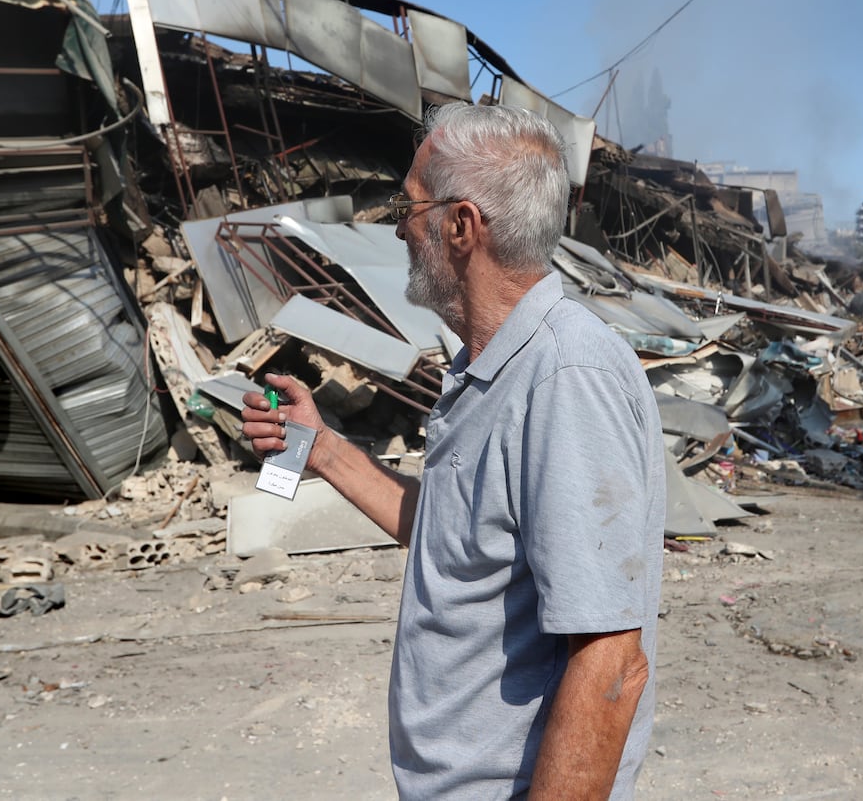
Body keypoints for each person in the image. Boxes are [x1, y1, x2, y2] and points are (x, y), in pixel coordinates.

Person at [240, 103, 665, 799]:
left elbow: (611, 665)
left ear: (462, 226)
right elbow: (452, 535)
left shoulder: (564, 376)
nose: (402, 228)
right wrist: (321, 450)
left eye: (410, 207)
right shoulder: (486, 366)